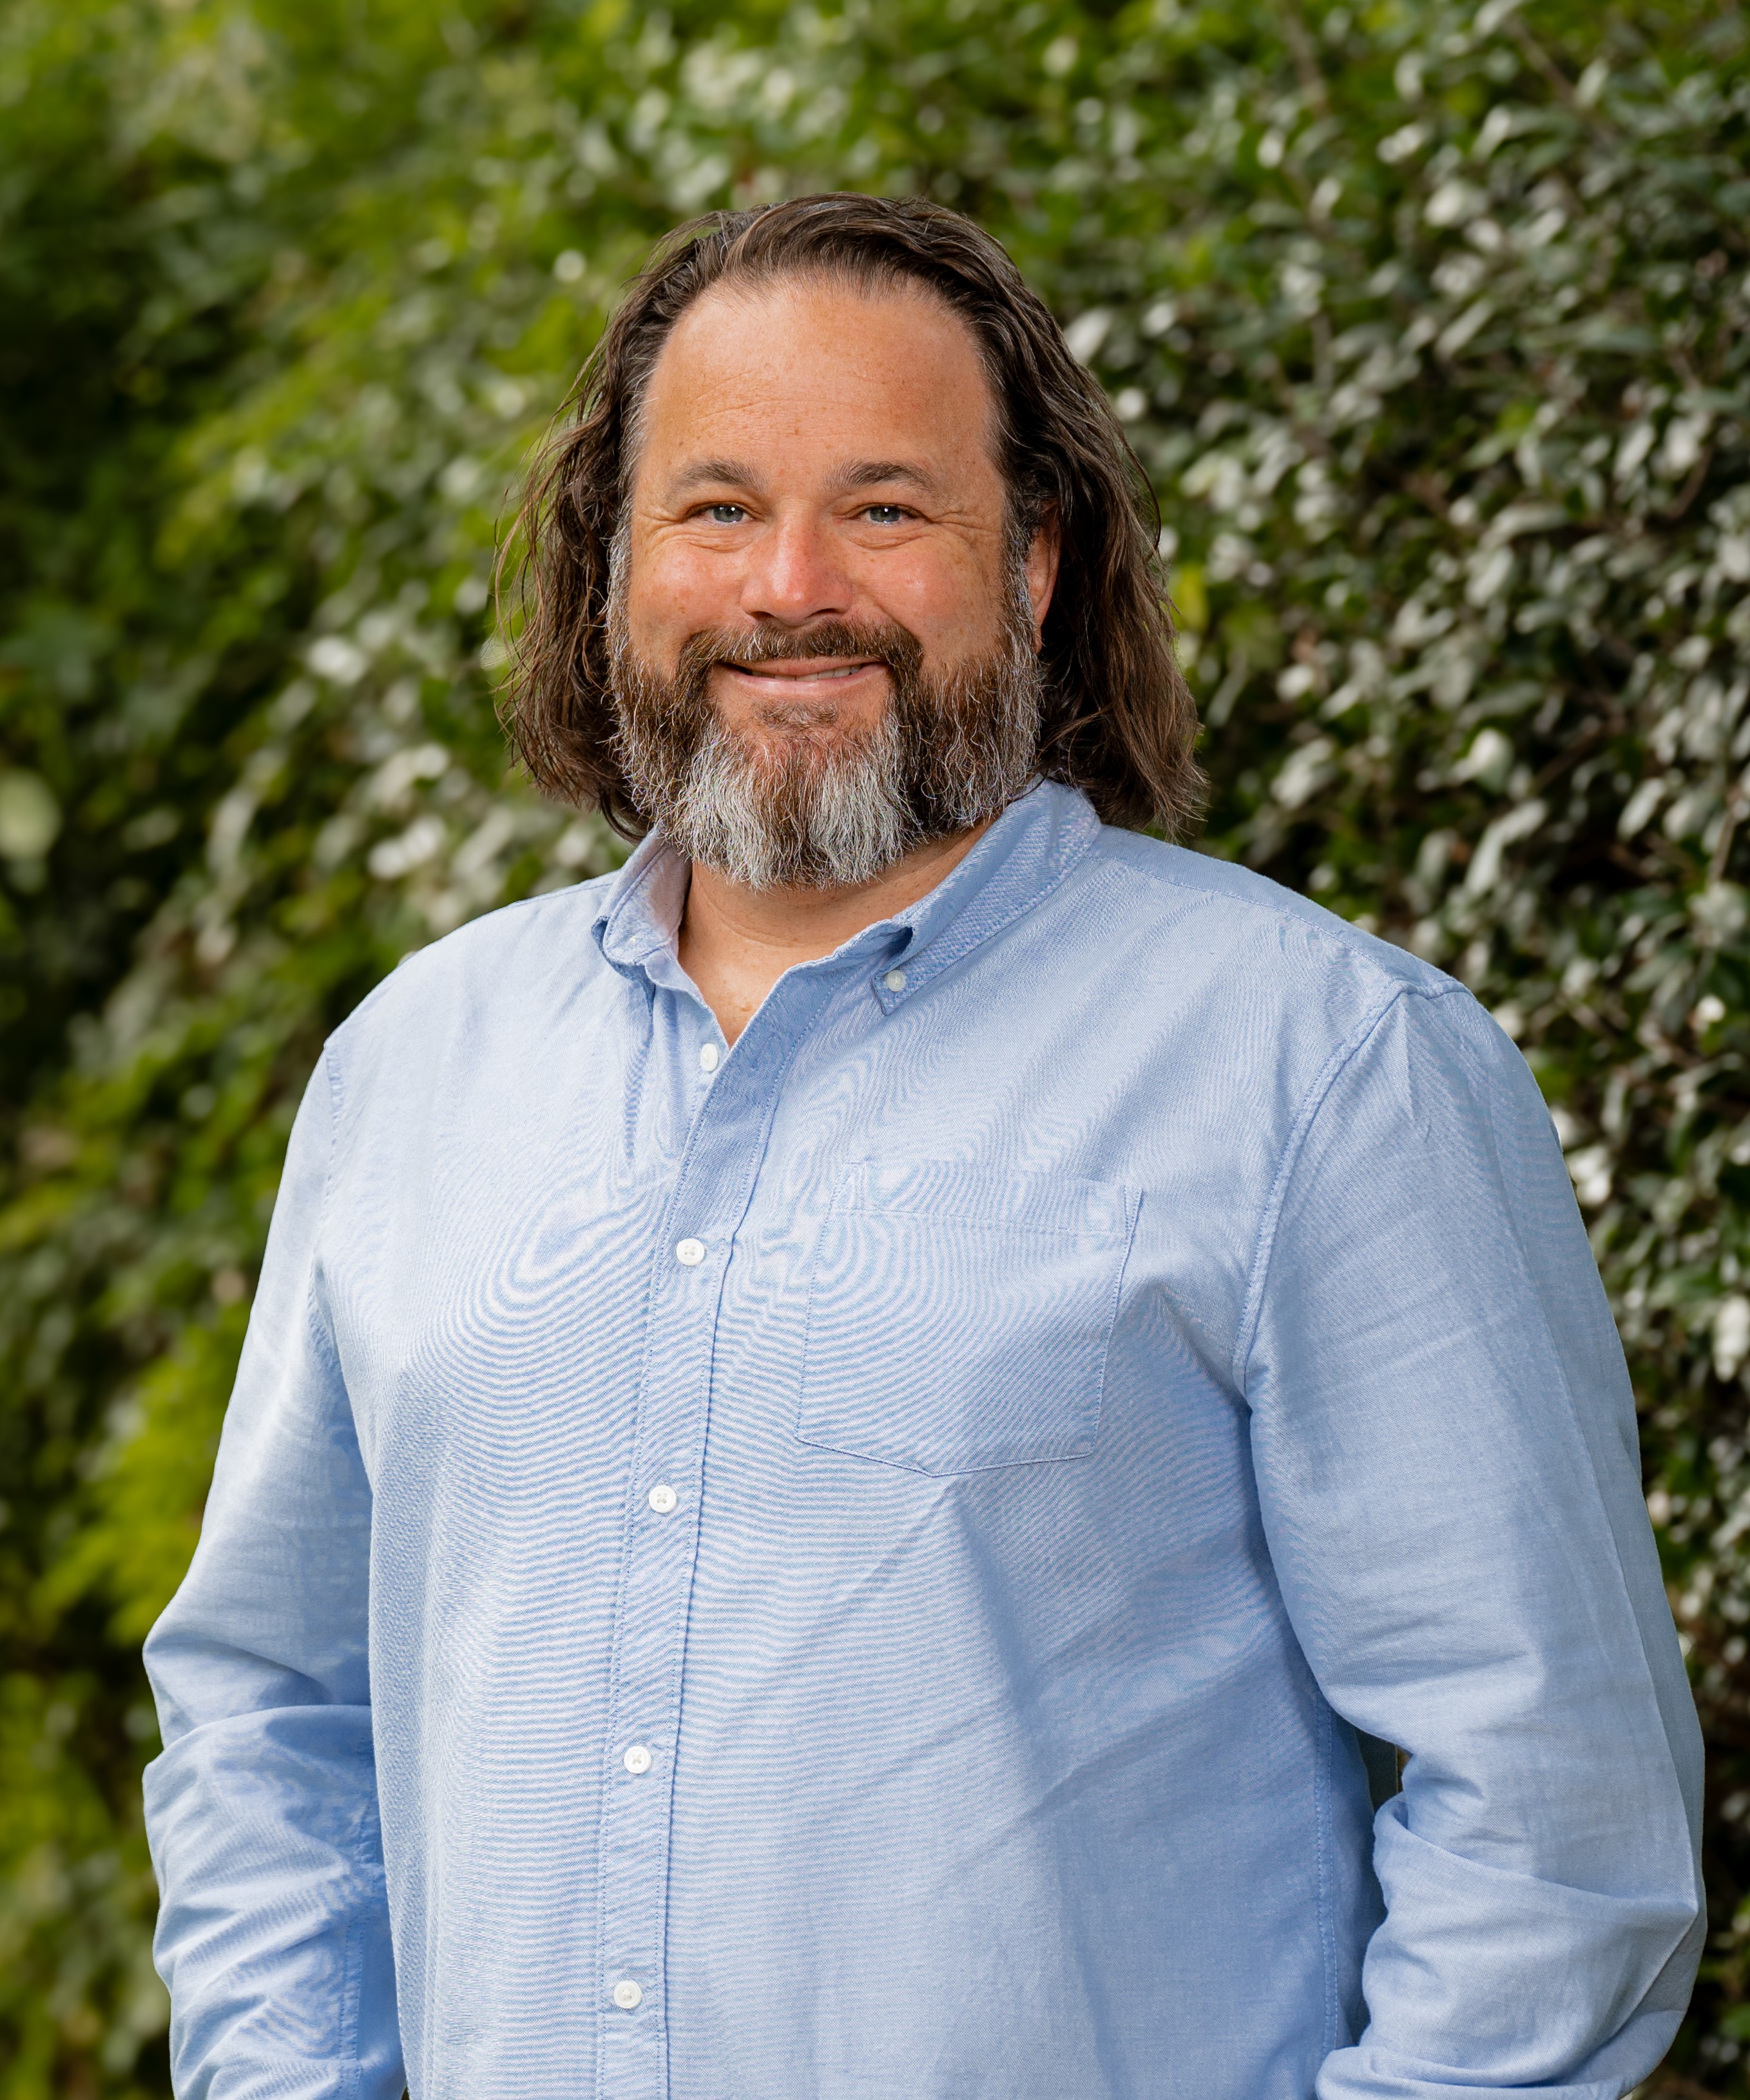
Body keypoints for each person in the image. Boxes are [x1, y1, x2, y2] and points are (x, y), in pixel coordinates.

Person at [143, 193, 1703, 2100]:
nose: (790, 583)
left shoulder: (1322, 1069)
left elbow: (1549, 1814)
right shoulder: (413, 1070)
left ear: (1035, 561)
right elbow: (270, 1711)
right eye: (714, 509)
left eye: (885, 509)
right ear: (614, 563)